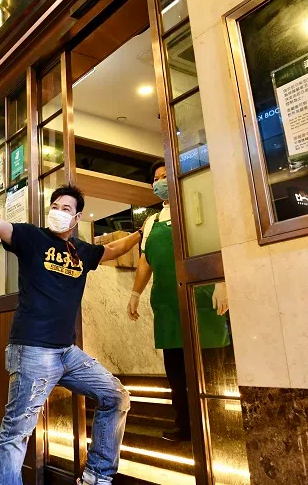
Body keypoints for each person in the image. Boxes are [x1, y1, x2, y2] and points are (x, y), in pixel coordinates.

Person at [0, 178, 141, 485]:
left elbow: (111, 249)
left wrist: (138, 234)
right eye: (54, 206)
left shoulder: (82, 251)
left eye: (66, 208)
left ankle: (96, 476)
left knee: (116, 396)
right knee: (16, 431)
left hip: (66, 352)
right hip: (32, 349)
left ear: (77, 217)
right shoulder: (31, 237)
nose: (58, 211)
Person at [126, 161, 229, 442]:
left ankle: (218, 425)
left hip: (204, 299)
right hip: (167, 305)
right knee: (176, 374)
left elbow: (216, 245)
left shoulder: (197, 207)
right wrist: (135, 293)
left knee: (210, 369)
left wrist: (223, 283)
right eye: (155, 179)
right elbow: (145, 261)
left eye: (164, 177)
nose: (159, 182)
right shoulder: (151, 222)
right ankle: (184, 424)